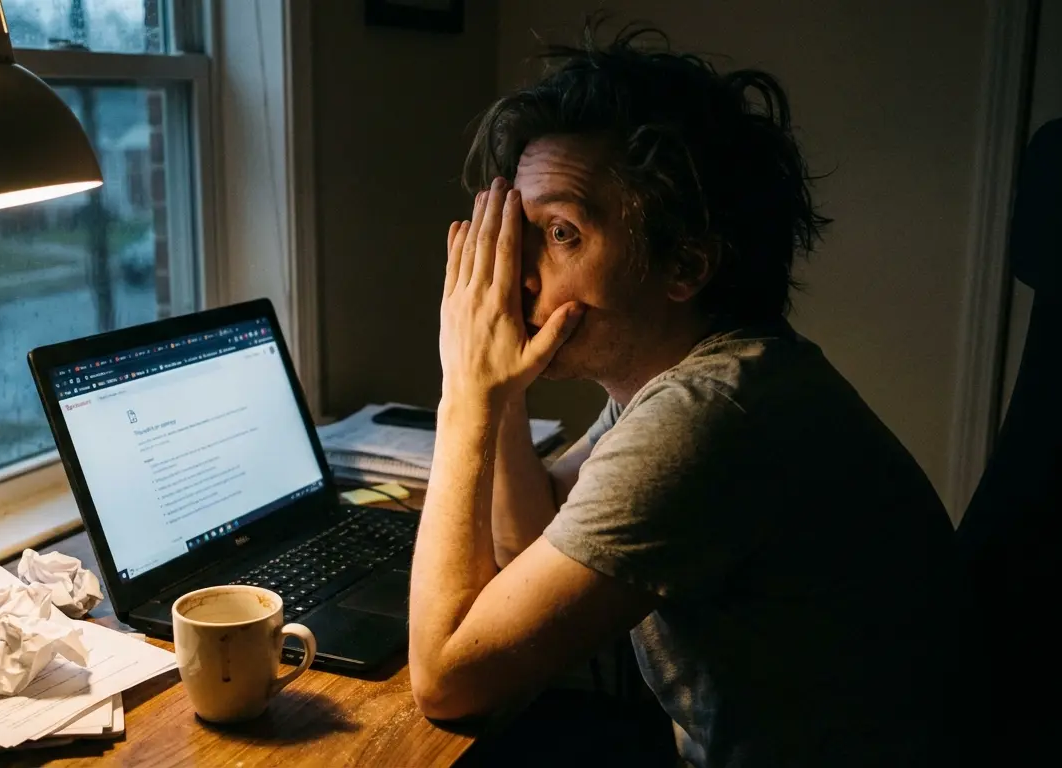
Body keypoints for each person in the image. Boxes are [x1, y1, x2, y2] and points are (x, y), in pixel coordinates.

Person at [407, 22, 976, 768]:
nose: (517, 269)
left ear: (685, 265)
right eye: (520, 228)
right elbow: (533, 541)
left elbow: (451, 681)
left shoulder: (708, 418)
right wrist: (503, 389)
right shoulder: (706, 379)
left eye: (562, 233)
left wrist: (465, 397)